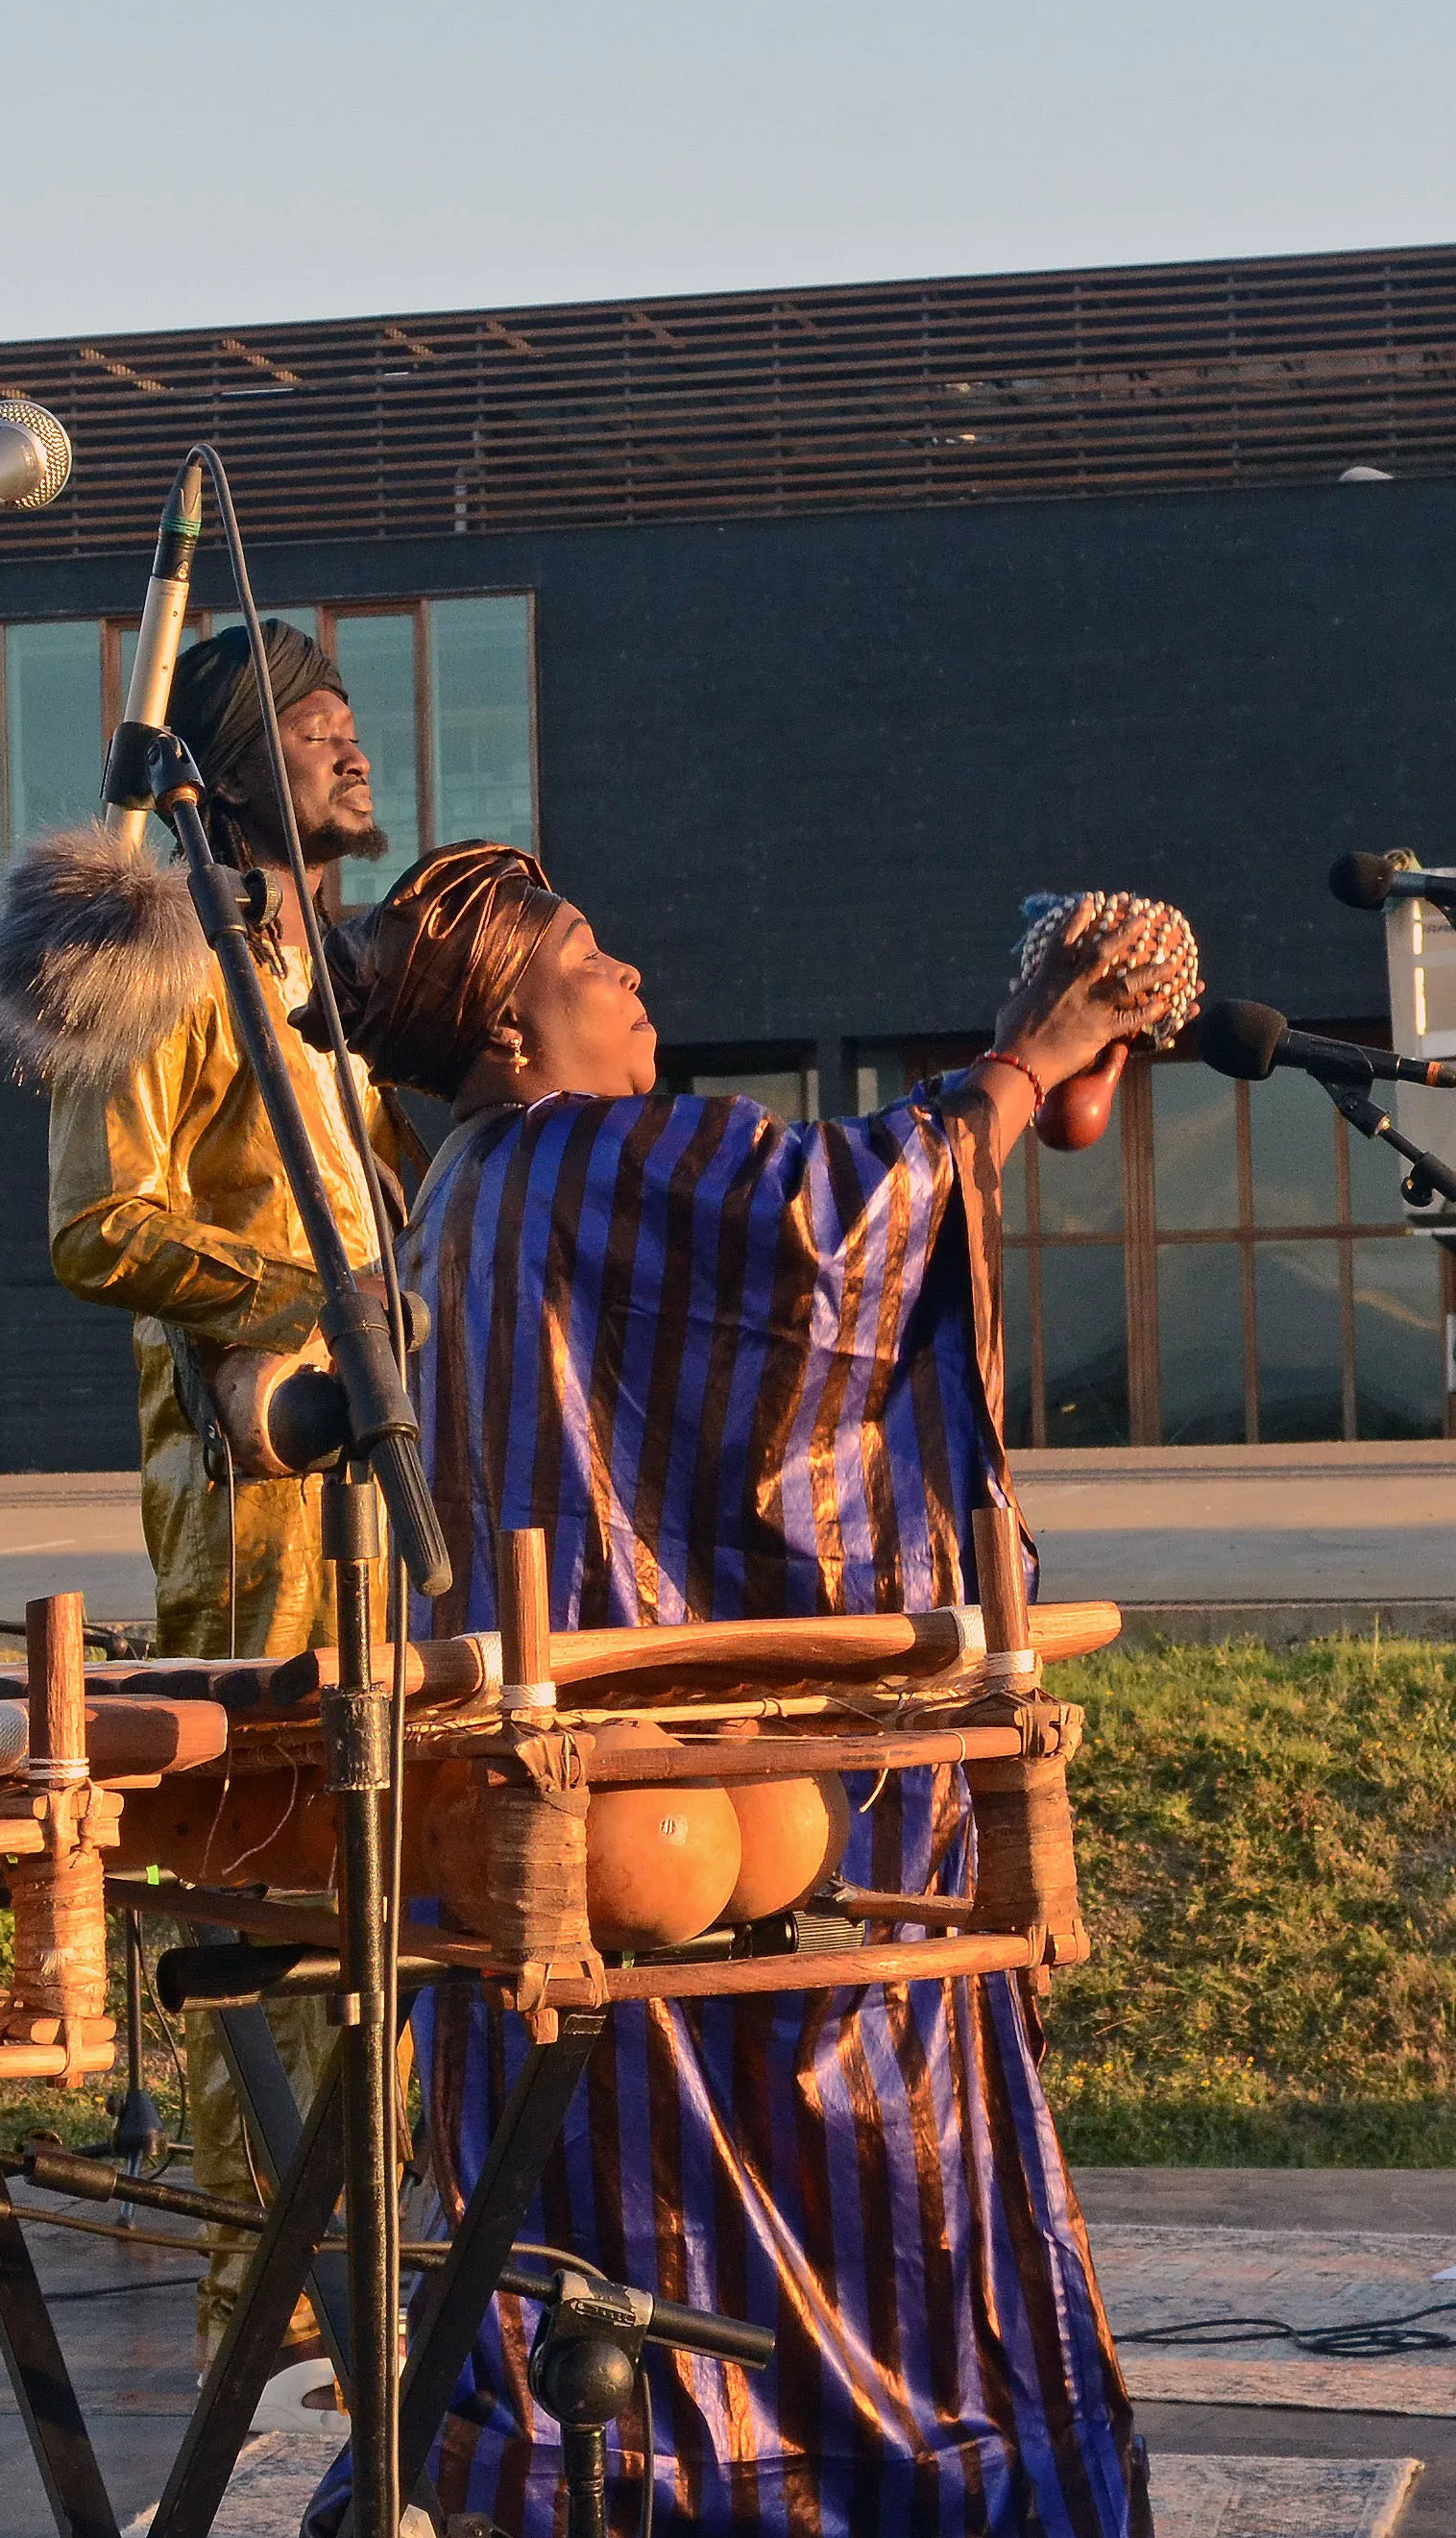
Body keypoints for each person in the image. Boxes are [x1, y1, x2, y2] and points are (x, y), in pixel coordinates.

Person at [303, 840, 1168, 2536]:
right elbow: (827, 1232)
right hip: (692, 1817)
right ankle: (853, 2474)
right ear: (504, 1013)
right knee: (838, 2181)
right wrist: (1026, 1051)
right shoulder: (572, 1151)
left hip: (564, 1803)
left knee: (593, 2189)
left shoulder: (472, 1191)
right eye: (594, 952)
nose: (639, 981)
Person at [33, 617, 420, 2358]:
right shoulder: (166, 950)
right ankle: (255, 2319)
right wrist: (311, 1295)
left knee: (397, 1897)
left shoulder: (322, 978)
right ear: (232, 767)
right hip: (257, 1504)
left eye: (350, 722)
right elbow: (94, 1219)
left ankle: (391, 2298)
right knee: (266, 1900)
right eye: (318, 726)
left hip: (385, 1502)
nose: (352, 749)